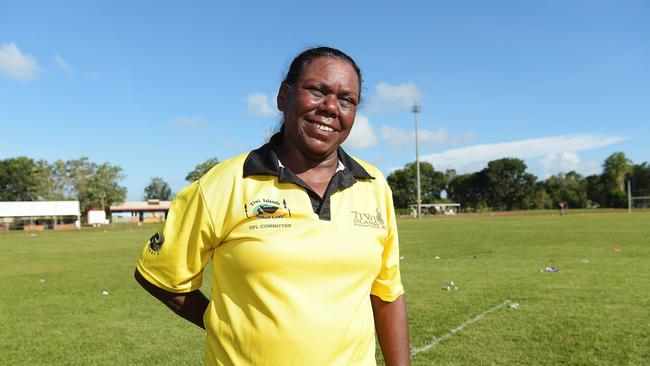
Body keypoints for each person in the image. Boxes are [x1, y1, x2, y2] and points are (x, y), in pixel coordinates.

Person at [134, 46, 410, 366]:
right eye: (317, 90)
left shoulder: (374, 185)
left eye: (346, 99)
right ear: (284, 97)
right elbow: (159, 276)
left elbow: (387, 294)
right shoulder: (223, 184)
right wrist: (217, 320)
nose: (331, 107)